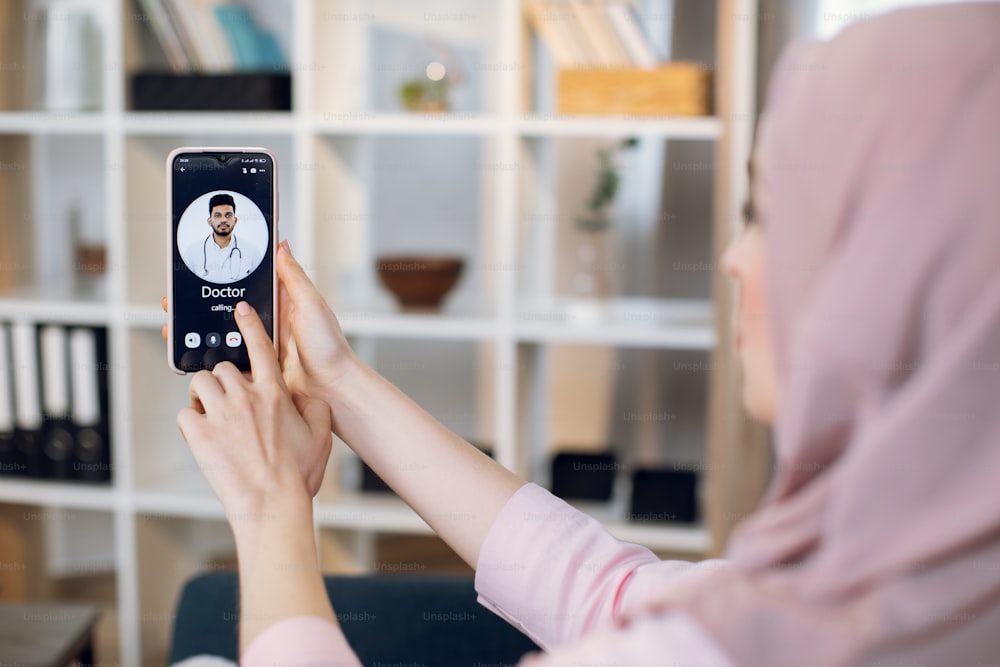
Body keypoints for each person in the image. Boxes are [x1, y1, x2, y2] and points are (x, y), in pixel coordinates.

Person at [171, 4, 1000, 665]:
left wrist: (270, 509)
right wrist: (341, 381)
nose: (733, 256)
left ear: (901, 277)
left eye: (768, 216)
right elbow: (608, 591)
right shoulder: (917, 586)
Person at [181, 193, 260, 284]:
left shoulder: (252, 252)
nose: (223, 220)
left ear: (235, 220)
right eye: (218, 215)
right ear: (209, 221)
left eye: (228, 215)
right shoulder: (192, 252)